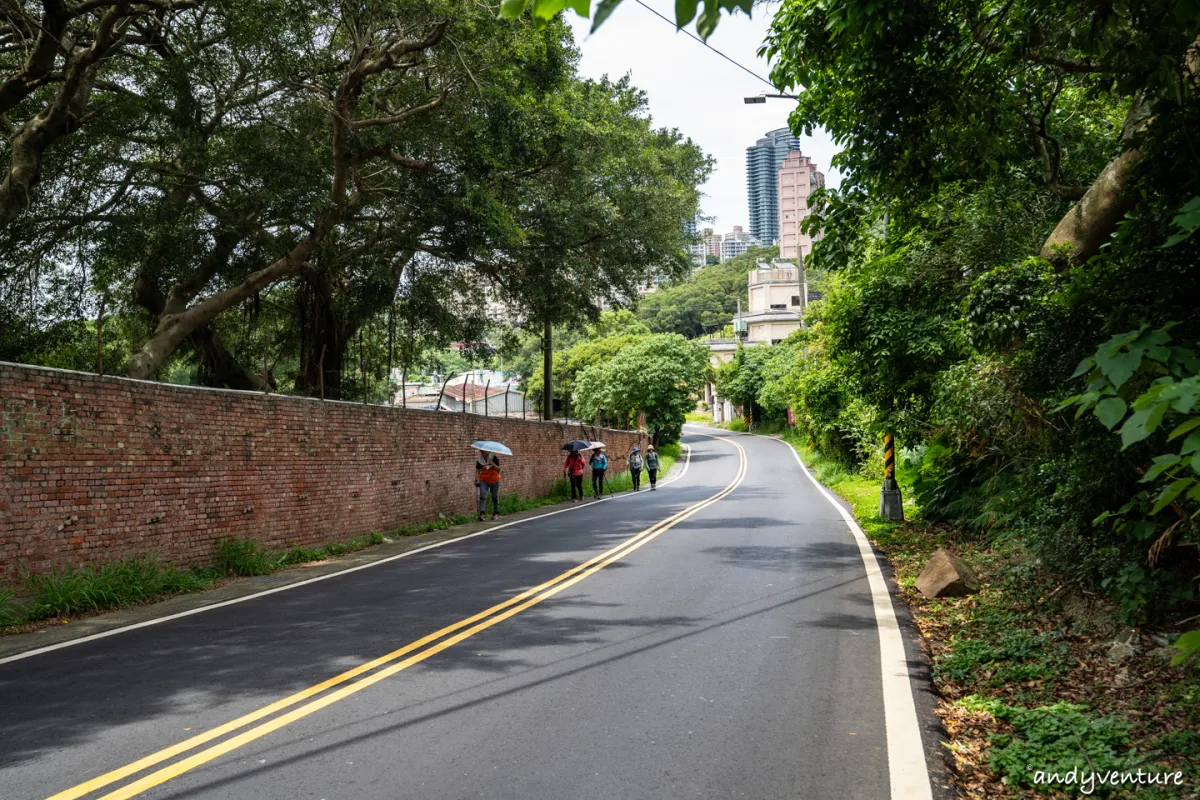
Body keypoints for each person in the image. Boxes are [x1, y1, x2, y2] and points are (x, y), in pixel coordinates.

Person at [476, 453, 501, 520]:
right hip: (483, 480)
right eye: (481, 450)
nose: (482, 452)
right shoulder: (480, 460)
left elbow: (498, 469)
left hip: (494, 480)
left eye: (484, 451)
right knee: (482, 495)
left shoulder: (494, 458)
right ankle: (482, 514)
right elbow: (477, 471)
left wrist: (491, 462)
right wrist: (476, 479)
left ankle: (496, 513)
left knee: (494, 497)